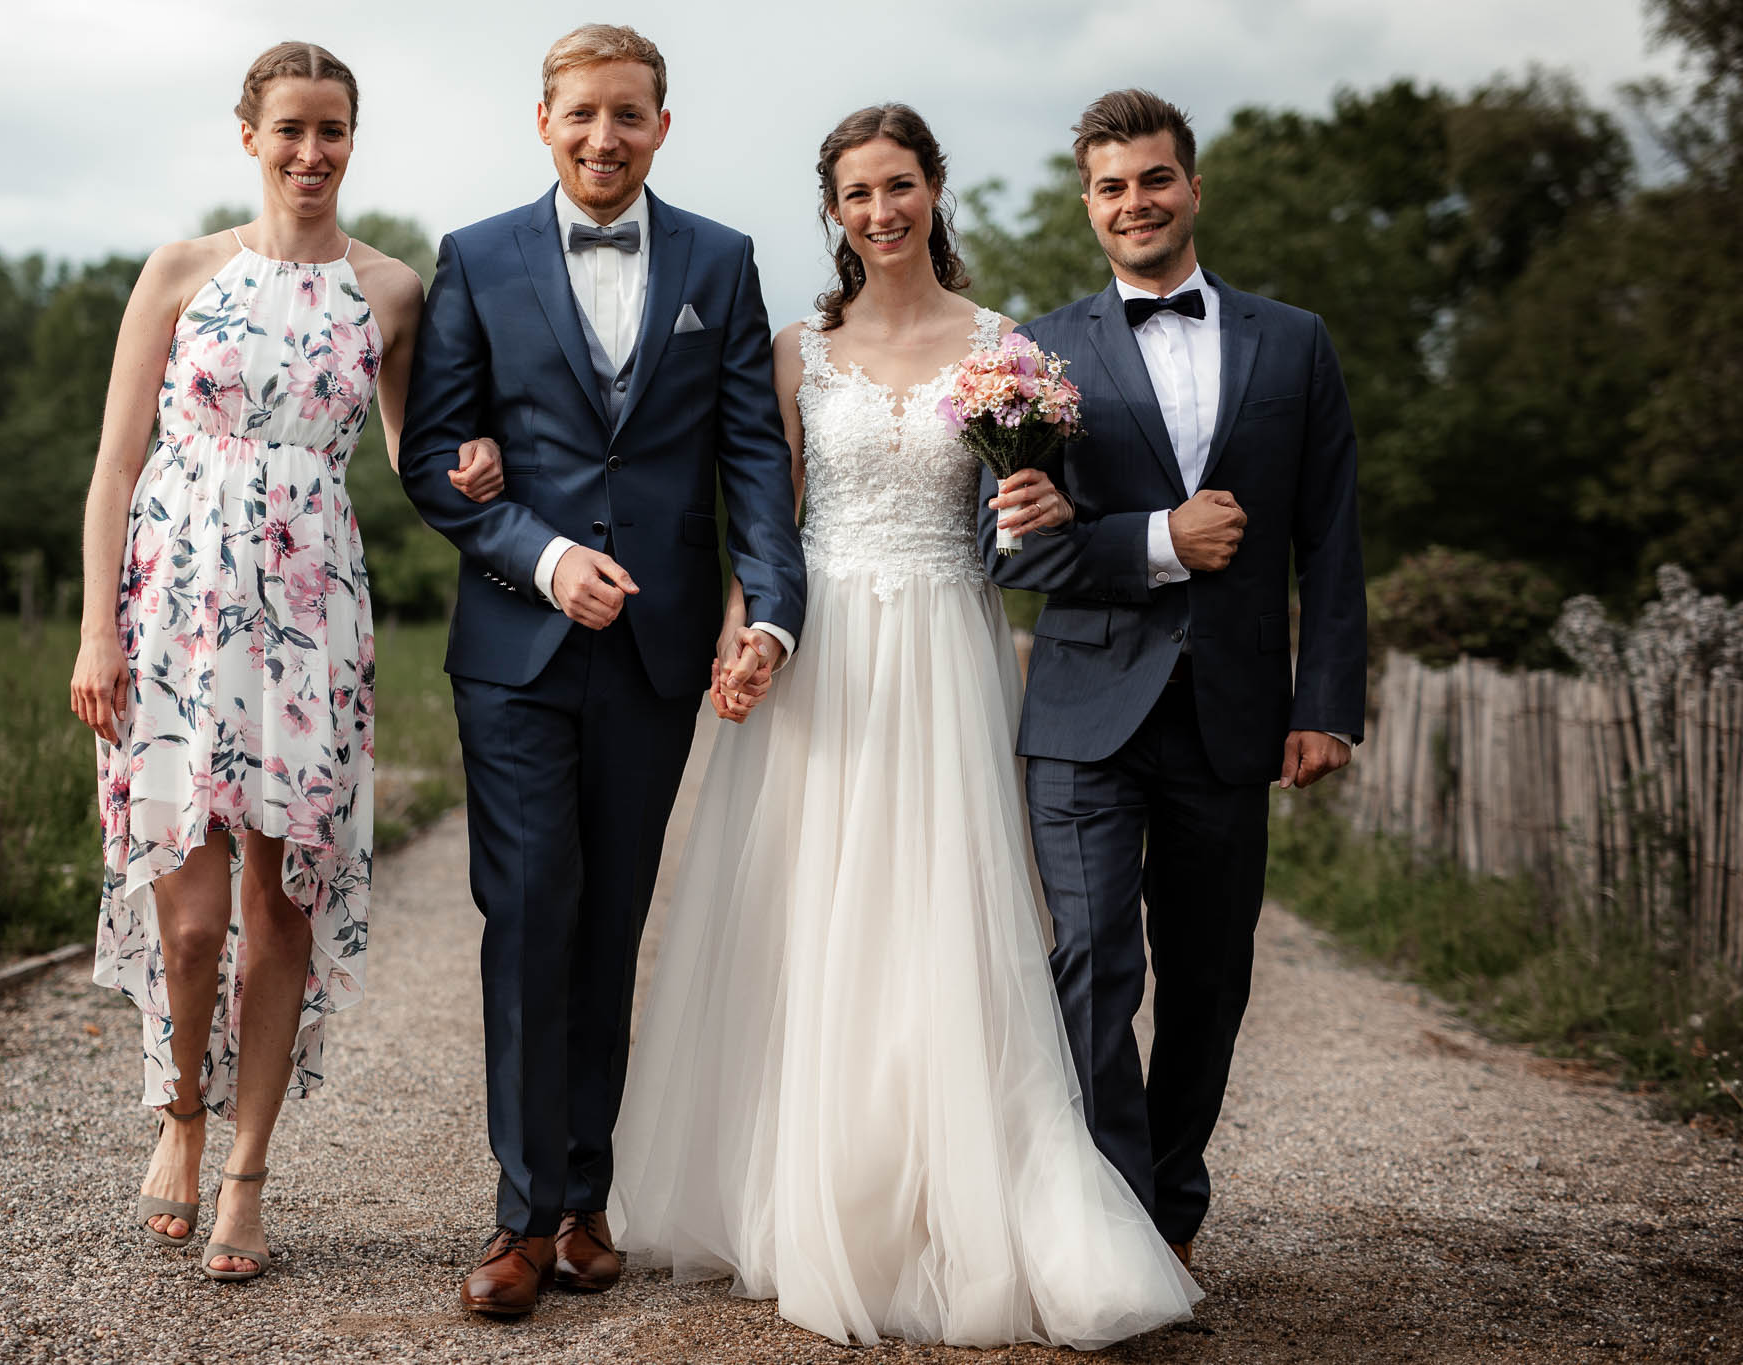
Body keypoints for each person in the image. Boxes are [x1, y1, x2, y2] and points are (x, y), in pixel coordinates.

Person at [607, 104, 1201, 1350]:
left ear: (934, 190)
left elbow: (1024, 531)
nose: (878, 212)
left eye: (898, 186)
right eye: (854, 194)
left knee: (941, 911)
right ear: (831, 213)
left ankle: (951, 1195)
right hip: (820, 649)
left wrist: (1032, 502)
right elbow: (766, 525)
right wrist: (744, 628)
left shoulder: (1007, 351)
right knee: (806, 911)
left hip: (942, 643)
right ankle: (802, 1190)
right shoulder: (791, 353)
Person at [68, 40, 501, 1283]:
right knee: (192, 923)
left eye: (333, 132)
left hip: (310, 622)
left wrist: (473, 470)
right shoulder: (180, 271)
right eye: (290, 131)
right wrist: (99, 627)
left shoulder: (391, 289)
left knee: (278, 906)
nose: (311, 154)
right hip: (174, 613)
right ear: (249, 135)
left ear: (353, 140)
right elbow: (110, 467)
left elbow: (422, 462)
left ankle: (247, 1173)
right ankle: (180, 1115)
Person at [395, 24, 807, 1317]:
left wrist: (773, 612)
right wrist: (540, 549)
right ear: (543, 119)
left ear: (662, 127)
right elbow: (432, 461)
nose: (603, 136)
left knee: (613, 916)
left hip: (657, 650)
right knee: (529, 912)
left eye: (628, 114)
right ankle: (520, 1219)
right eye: (581, 114)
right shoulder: (473, 259)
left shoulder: (721, 264)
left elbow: (753, 457)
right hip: (516, 649)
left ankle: (588, 1198)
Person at [980, 89, 1367, 1269]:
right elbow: (1022, 548)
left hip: (1233, 715)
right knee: (1093, 961)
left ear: (1192, 187)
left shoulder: (1293, 340)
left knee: (1208, 976)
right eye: (1109, 186)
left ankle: (1169, 1206)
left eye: (1152, 179)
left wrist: (1325, 709)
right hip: (1084, 709)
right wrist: (1160, 540)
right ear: (1087, 205)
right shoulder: (1034, 353)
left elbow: (1332, 537)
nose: (1133, 203)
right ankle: (1100, 1221)